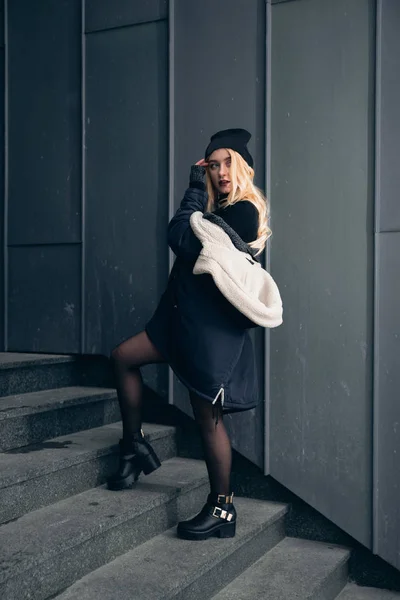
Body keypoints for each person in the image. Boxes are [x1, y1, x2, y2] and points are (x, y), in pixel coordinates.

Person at [106, 128, 272, 541]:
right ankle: (133, 445)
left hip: (209, 335)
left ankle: (223, 509)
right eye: (212, 166)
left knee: (207, 419)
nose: (219, 172)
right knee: (123, 357)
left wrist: (193, 187)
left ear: (243, 166)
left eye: (226, 163)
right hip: (178, 323)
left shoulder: (244, 213)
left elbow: (181, 235)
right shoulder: (220, 211)